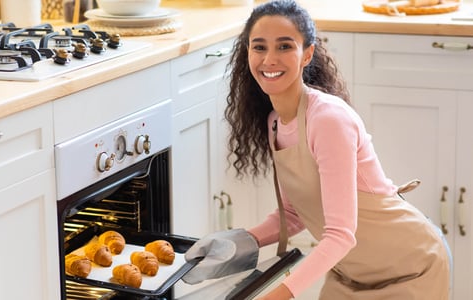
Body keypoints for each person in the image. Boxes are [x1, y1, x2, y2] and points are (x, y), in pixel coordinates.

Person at [181, 0, 452, 299]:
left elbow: (340, 235)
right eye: (259, 47)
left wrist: (277, 295)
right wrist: (242, 240)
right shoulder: (275, 123)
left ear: (307, 53)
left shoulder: (327, 120)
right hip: (349, 275)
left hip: (410, 269)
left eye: (284, 46)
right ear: (248, 53)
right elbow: (293, 212)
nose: (269, 59)